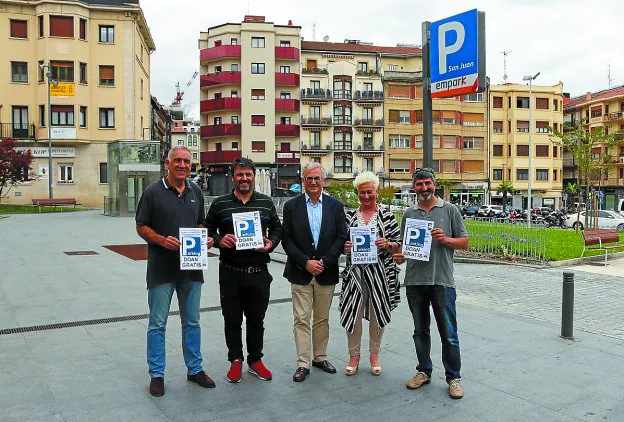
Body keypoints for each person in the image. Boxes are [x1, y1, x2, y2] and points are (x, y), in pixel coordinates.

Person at [135, 145, 215, 397]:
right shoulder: (152, 192)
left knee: (192, 321)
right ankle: (156, 374)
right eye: (177, 161)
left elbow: (200, 222)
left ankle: (195, 369)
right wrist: (160, 239)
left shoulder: (195, 191)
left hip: (191, 268)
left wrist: (205, 238)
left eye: (187, 162)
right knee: (157, 324)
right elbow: (141, 226)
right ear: (167, 163)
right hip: (162, 268)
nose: (182, 165)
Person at [393, 167, 469, 400]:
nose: (424, 188)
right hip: (415, 281)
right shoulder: (409, 213)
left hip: (442, 281)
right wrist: (400, 254)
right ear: (413, 187)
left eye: (428, 183)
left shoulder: (450, 210)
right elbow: (405, 246)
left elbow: (464, 242)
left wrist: (445, 239)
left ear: (434, 184)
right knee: (420, 331)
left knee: (449, 333)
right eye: (419, 184)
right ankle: (423, 370)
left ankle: (453, 377)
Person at [205, 157, 282, 384]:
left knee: (257, 320)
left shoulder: (266, 203)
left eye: (248, 174)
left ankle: (255, 360)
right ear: (233, 177)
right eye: (240, 175)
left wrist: (271, 243)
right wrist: (219, 239)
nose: (244, 178)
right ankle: (235, 360)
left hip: (259, 271)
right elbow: (206, 231)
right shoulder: (220, 204)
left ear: (253, 176)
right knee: (232, 319)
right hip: (230, 271)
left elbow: (277, 228)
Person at [282, 162, 348, 382]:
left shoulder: (335, 206)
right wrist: (305, 261)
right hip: (300, 271)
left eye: (317, 178)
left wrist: (326, 261)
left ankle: (320, 357)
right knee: (301, 319)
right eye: (309, 178)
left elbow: (341, 236)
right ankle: (303, 363)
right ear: (303, 180)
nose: (312, 182)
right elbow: (287, 239)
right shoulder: (291, 206)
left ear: (323, 181)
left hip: (326, 272)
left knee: (322, 319)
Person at [340, 171, 401, 376]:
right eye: (361, 193)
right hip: (355, 274)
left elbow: (398, 245)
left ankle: (374, 354)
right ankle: (353, 356)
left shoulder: (387, 216)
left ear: (376, 192)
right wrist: (345, 247)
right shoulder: (350, 216)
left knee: (377, 315)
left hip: (380, 274)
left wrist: (388, 244)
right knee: (353, 314)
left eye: (369, 192)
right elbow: (341, 243)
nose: (365, 196)